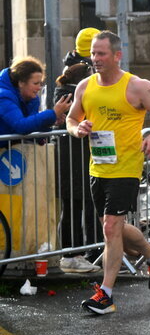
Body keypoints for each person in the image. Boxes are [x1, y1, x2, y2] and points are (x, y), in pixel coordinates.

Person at [64, 31, 150, 315]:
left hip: (126, 166)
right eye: (93, 53)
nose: (95, 59)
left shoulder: (136, 86)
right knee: (111, 227)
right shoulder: (85, 86)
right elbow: (70, 118)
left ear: (117, 55)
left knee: (111, 228)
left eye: (101, 53)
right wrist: (77, 129)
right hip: (97, 167)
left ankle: (106, 294)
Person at [54, 63, 101, 273]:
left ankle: (79, 252)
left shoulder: (65, 95)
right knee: (73, 207)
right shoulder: (71, 97)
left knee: (75, 206)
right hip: (74, 161)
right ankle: (71, 254)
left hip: (76, 161)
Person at [0, 56, 72, 136]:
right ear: (21, 83)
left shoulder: (32, 99)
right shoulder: (3, 96)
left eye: (40, 84)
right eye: (35, 83)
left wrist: (51, 121)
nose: (39, 88)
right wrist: (53, 114)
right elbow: (21, 126)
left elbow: (30, 128)